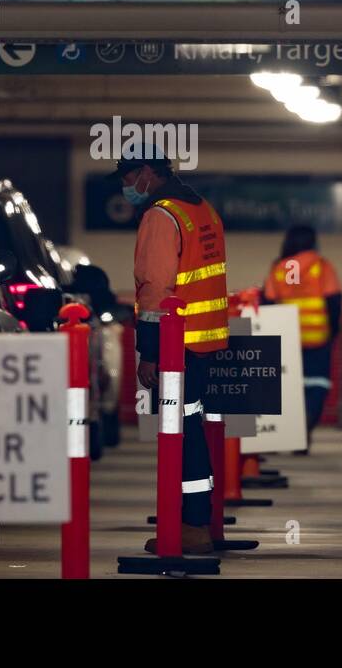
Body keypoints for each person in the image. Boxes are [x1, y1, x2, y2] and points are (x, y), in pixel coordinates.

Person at [115, 150, 227, 555]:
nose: (126, 186)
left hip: (175, 345)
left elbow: (155, 289)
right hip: (204, 341)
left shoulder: (161, 216)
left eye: (129, 176)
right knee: (192, 427)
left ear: (148, 173)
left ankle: (192, 524)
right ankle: (201, 520)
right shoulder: (202, 209)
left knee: (180, 434)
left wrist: (149, 351)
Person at [262, 225, 342, 451]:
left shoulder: (278, 268)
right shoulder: (321, 266)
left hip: (286, 336)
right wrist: (333, 330)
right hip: (317, 335)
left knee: (288, 387)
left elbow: (267, 301)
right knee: (317, 384)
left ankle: (289, 432)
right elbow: (334, 301)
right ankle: (306, 426)